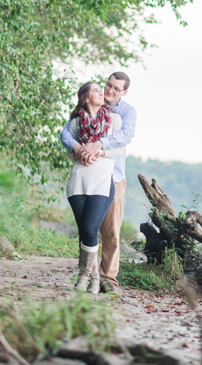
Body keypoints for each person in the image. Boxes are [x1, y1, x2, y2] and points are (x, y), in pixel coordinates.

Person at [61, 72, 136, 292]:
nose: (109, 91)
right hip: (85, 175)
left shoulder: (124, 113)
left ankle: (107, 279)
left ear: (124, 92)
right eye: (107, 86)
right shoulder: (81, 116)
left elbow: (124, 137)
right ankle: (87, 276)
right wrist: (78, 150)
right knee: (88, 229)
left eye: (115, 88)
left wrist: (99, 145)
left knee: (111, 232)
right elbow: (66, 135)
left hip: (114, 176)